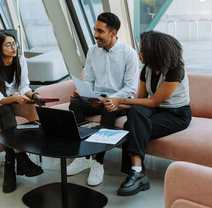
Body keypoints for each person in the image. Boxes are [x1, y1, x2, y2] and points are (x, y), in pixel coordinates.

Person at [105, 31, 192, 196]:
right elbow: (141, 101)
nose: (138, 53)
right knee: (135, 115)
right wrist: (116, 106)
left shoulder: (175, 70)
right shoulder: (147, 70)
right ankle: (137, 171)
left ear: (154, 52)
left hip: (177, 114)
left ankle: (136, 172)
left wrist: (121, 101)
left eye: (141, 50)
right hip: (156, 111)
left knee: (130, 126)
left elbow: (153, 101)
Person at [67, 12, 139, 186]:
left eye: (100, 31)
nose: (95, 35)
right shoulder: (92, 51)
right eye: (94, 30)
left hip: (119, 101)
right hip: (96, 98)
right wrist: (84, 92)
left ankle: (98, 162)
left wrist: (109, 99)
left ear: (113, 33)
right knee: (75, 103)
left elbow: (130, 88)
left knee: (108, 106)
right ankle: (83, 157)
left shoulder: (129, 54)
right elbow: (89, 80)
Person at [0, 32, 43, 193]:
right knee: (6, 108)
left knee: (7, 110)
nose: (14, 48)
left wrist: (34, 95)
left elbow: (24, 87)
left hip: (5, 107)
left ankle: (11, 166)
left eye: (15, 44)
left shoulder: (21, 61)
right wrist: (15, 98)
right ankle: (20, 159)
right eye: (8, 45)